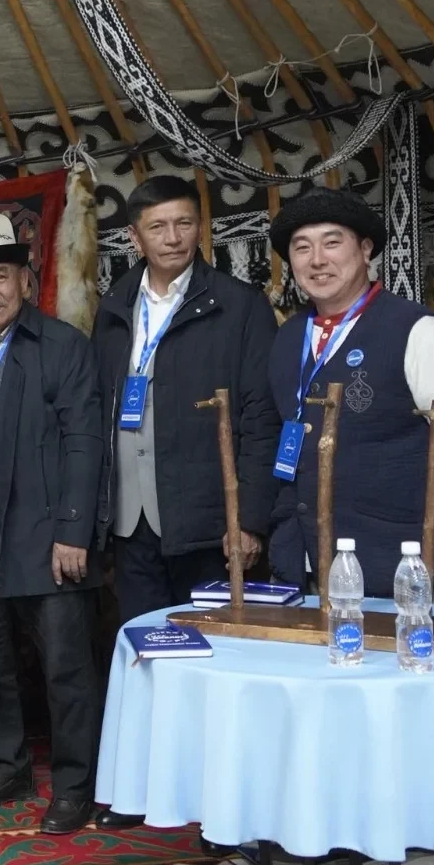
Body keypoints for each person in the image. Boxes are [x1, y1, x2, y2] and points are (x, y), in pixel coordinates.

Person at [0, 211, 103, 834]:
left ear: (25, 280)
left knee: (66, 669)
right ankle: (5, 766)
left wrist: (73, 531)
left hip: (45, 538)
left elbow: (85, 443)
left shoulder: (62, 346)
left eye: (1, 276)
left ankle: (76, 785)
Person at [265, 188, 434, 593]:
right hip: (298, 563)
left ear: (365, 249)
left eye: (332, 243)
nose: (317, 260)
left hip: (394, 570)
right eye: (302, 248)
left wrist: (410, 507)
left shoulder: (420, 332)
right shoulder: (288, 337)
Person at [92, 176, 281, 627]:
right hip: (130, 523)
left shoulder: (240, 306)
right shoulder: (113, 307)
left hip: (209, 526)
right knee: (148, 645)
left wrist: (249, 521)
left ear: (201, 228)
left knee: (215, 648)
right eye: (157, 227)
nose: (173, 238)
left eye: (184, 224)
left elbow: (262, 417)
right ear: (135, 237)